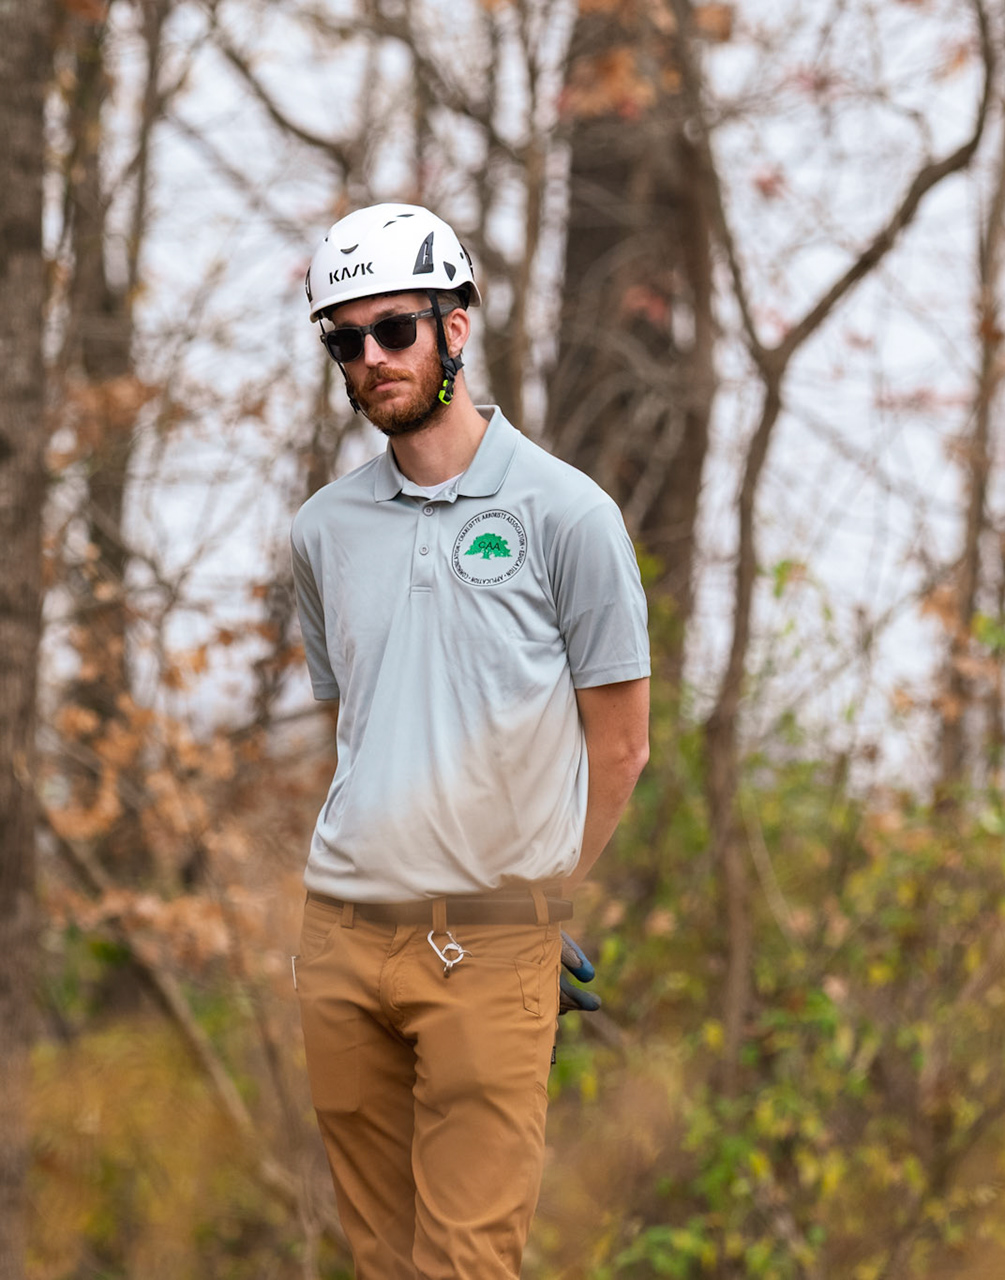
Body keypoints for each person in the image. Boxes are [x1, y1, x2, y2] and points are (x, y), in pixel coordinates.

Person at [289, 203, 652, 1278]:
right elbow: (359, 726)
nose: (369, 359)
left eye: (393, 329)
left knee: (464, 1263)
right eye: (343, 339)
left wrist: (542, 901)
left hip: (491, 942)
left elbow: (622, 745)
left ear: (457, 325)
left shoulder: (568, 514)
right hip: (341, 937)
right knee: (380, 1259)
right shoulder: (322, 530)